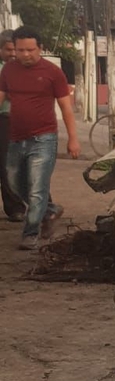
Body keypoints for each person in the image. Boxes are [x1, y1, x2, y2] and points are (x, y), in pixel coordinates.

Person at [0, 26, 80, 250]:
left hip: (44, 139)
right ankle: (51, 210)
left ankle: (30, 233)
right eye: (21, 50)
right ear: (14, 49)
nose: (25, 54)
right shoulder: (8, 70)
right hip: (16, 138)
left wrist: (72, 139)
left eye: (30, 50)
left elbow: (65, 107)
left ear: (40, 48)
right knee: (14, 184)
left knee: (37, 188)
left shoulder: (52, 72)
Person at [0, 31, 25, 221]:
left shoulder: (20, 68)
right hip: (4, 118)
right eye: (8, 50)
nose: (12, 54)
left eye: (14, 50)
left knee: (14, 165)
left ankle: (16, 207)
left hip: (15, 118)